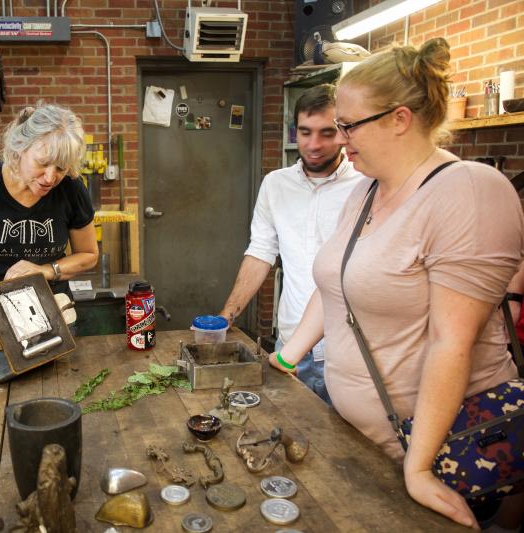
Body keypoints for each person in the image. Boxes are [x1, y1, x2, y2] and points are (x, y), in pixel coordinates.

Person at [269, 38, 524, 528]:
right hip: (364, 443)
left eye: (348, 126)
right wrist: (285, 357)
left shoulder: (468, 190)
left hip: (441, 454)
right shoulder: (365, 191)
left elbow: (454, 341)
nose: (341, 139)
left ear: (399, 118)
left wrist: (421, 465)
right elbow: (337, 285)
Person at [219, 84, 363, 404]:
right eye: (305, 132)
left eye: (326, 133)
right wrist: (226, 317)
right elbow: (261, 252)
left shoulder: (365, 185)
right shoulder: (276, 184)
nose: (313, 145)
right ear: (294, 130)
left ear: (342, 131)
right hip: (290, 343)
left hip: (347, 351)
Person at [0, 104, 98, 321]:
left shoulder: (71, 188)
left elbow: (89, 255)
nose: (51, 178)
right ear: (19, 149)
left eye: (61, 168)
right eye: (42, 163)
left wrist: (46, 270)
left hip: (52, 310)